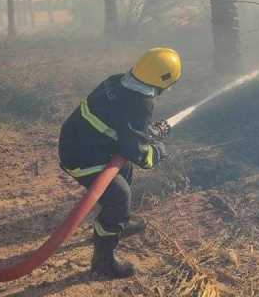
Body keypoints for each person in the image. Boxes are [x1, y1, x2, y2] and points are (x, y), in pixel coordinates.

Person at [58, 48, 183, 279]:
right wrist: (156, 151)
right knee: (118, 196)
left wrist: (142, 134)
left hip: (81, 142)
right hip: (83, 157)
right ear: (164, 80)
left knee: (123, 169)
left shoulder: (116, 81)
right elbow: (135, 153)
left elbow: (121, 124)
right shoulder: (141, 103)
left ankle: (119, 222)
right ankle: (103, 263)